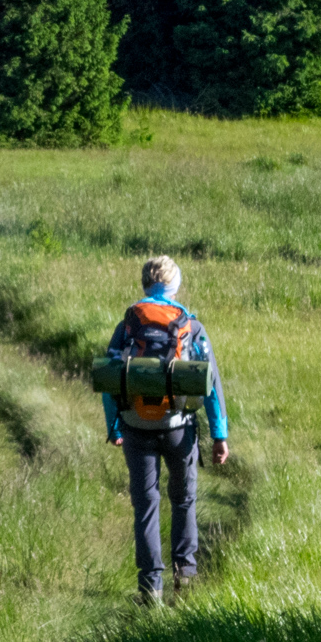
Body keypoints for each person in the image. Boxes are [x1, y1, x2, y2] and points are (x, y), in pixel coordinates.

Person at [103, 256, 228, 605]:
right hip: (179, 427)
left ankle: (150, 589)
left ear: (145, 284)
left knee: (145, 503)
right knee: (184, 500)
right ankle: (185, 577)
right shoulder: (190, 325)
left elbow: (112, 379)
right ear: (175, 286)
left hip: (135, 426)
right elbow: (211, 383)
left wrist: (114, 425)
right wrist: (220, 435)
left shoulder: (129, 324)